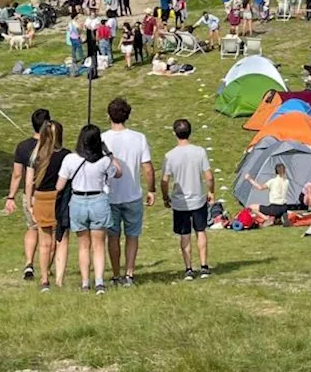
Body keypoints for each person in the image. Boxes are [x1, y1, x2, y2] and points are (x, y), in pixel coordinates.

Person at [56, 125, 123, 294]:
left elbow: (59, 185)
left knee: (83, 246)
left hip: (78, 201)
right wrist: (108, 153)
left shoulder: (70, 159)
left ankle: (85, 282)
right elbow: (118, 173)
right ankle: (99, 281)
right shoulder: (104, 161)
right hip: (98, 201)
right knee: (99, 245)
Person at [101, 98, 154, 288]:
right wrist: (152, 189)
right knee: (132, 236)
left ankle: (116, 274)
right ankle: (129, 273)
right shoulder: (138, 138)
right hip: (132, 194)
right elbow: (147, 168)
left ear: (109, 115)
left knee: (113, 237)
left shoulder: (102, 138)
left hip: (110, 195)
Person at [161, 119, 214, 280]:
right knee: (201, 231)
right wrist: (211, 191)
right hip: (198, 198)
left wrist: (165, 197)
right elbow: (209, 176)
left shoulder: (170, 155)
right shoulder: (199, 152)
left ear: (174, 133)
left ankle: (188, 268)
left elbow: (165, 180)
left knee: (184, 234)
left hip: (180, 201)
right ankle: (204, 266)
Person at [24, 119, 71, 291]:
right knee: (62, 240)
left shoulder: (36, 156)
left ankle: (44, 279)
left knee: (44, 242)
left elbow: (29, 182)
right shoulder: (67, 155)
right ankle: (59, 279)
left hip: (41, 199)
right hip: (60, 200)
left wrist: (29, 203)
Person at [5, 108, 49, 281]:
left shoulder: (23, 147)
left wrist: (10, 197)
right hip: (48, 194)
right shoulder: (52, 147)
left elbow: (17, 175)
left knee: (32, 228)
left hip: (29, 196)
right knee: (48, 232)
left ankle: (29, 263)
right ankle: (47, 267)